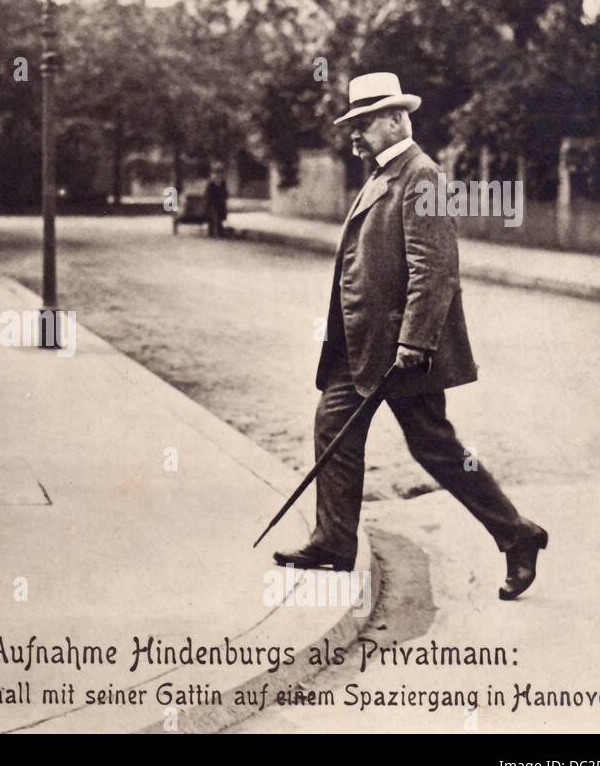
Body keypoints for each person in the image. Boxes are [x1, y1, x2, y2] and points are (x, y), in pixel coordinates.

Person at [272, 72, 548, 601]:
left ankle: (518, 535)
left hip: (400, 352)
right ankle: (333, 542)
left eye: (364, 124)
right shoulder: (383, 173)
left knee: (434, 447)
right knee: (334, 427)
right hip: (358, 345)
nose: (354, 135)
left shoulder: (421, 176)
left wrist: (415, 344)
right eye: (352, 125)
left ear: (397, 120)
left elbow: (434, 269)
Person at [203, 161, 228, 238]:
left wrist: (225, 196)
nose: (219, 174)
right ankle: (214, 232)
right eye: (217, 172)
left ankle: (219, 232)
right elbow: (207, 192)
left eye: (220, 172)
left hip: (220, 202)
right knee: (214, 217)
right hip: (212, 202)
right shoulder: (211, 181)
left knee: (219, 217)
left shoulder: (222, 181)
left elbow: (225, 191)